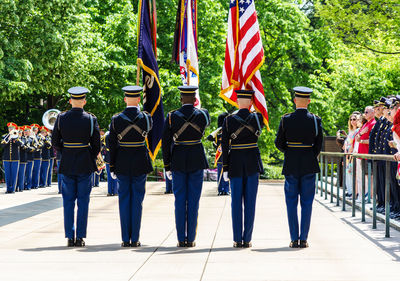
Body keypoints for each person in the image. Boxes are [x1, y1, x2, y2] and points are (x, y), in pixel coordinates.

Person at [274, 86, 323, 248]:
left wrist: (290, 152)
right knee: (307, 203)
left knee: (291, 202)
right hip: (309, 163)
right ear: (308, 102)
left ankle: (294, 238)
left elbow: (278, 143)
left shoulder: (286, 119)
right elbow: (318, 145)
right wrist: (308, 154)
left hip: (291, 164)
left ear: (295, 101)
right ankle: (304, 239)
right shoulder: (316, 120)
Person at [162, 85, 210, 247]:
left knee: (180, 201)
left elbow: (166, 143)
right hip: (196, 158)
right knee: (194, 201)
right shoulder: (202, 115)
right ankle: (191, 239)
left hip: (178, 160)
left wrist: (167, 165)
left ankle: (181, 238)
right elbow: (207, 122)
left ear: (181, 99)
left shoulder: (171, 117)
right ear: (195, 100)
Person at [52, 86, 101, 247]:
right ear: (84, 101)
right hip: (85, 164)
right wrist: (88, 154)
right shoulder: (90, 119)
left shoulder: (61, 118)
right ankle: (80, 237)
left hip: (67, 163)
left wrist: (66, 149)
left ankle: (69, 236)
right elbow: (96, 145)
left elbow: (54, 142)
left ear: (70, 100)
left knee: (68, 202)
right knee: (83, 201)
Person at [108, 85, 153, 247]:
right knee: (137, 201)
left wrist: (112, 166)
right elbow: (150, 129)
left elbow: (111, 144)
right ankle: (135, 238)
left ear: (125, 99)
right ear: (139, 99)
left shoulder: (116, 119)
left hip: (122, 162)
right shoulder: (146, 118)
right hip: (140, 161)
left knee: (124, 200)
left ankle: (125, 239)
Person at [221, 90, 264, 248]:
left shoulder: (228, 120)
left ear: (237, 101)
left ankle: (237, 239)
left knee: (236, 203)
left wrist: (225, 167)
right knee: (250, 203)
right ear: (251, 102)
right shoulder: (257, 118)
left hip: (235, 163)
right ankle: (247, 239)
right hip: (252, 162)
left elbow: (225, 146)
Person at [207, 112, 230, 195]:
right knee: (220, 174)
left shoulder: (230, 132)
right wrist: (218, 129)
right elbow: (209, 138)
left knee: (228, 174)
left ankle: (226, 190)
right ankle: (220, 190)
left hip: (228, 155)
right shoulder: (217, 134)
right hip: (220, 157)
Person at [342, 113, 360, 197]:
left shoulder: (357, 130)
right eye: (351, 119)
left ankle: (354, 192)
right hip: (347, 153)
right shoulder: (350, 131)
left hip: (352, 154)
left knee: (352, 172)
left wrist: (349, 156)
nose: (352, 121)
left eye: (354, 119)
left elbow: (353, 144)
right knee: (348, 172)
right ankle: (349, 191)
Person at [1, 122, 21, 193]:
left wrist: (15, 139)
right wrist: (8, 139)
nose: (10, 129)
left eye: (12, 128)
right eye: (9, 128)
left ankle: (13, 189)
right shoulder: (4, 136)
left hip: (15, 158)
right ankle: (8, 189)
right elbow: (2, 145)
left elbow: (20, 144)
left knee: (14, 174)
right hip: (6, 158)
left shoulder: (17, 136)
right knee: (7, 174)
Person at [103, 130, 118, 196]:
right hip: (115, 157)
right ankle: (115, 191)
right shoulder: (116, 135)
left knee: (109, 176)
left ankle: (109, 192)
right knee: (115, 175)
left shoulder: (106, 137)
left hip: (108, 158)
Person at [30, 124, 42, 189]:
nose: (34, 131)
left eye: (35, 130)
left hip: (37, 156)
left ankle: (35, 184)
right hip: (30, 157)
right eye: (33, 130)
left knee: (36, 171)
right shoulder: (29, 137)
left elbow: (40, 145)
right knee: (30, 171)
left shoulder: (39, 137)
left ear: (37, 130)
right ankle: (30, 184)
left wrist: (35, 138)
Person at [16, 126, 28, 192]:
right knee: (15, 175)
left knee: (21, 174)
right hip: (15, 158)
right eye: (18, 131)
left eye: (21, 131)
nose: (20, 133)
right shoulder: (14, 138)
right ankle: (15, 187)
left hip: (22, 158)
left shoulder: (24, 139)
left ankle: (21, 187)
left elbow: (26, 147)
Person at [24, 126, 35, 190]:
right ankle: (23, 185)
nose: (26, 132)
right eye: (25, 131)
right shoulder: (21, 139)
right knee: (23, 174)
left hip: (29, 158)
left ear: (30, 132)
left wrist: (28, 148)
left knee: (29, 173)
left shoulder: (32, 139)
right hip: (23, 158)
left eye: (27, 131)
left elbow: (35, 148)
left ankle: (28, 186)